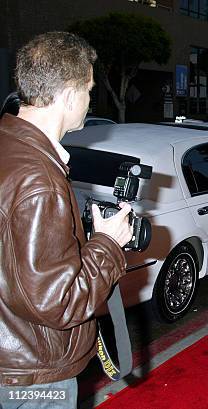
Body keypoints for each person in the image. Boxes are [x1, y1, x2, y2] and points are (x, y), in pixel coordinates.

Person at [0, 31, 133, 408]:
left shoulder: (9, 144)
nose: (91, 100)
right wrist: (107, 243)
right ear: (71, 94)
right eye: (90, 89)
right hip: (32, 377)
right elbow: (60, 302)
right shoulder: (39, 180)